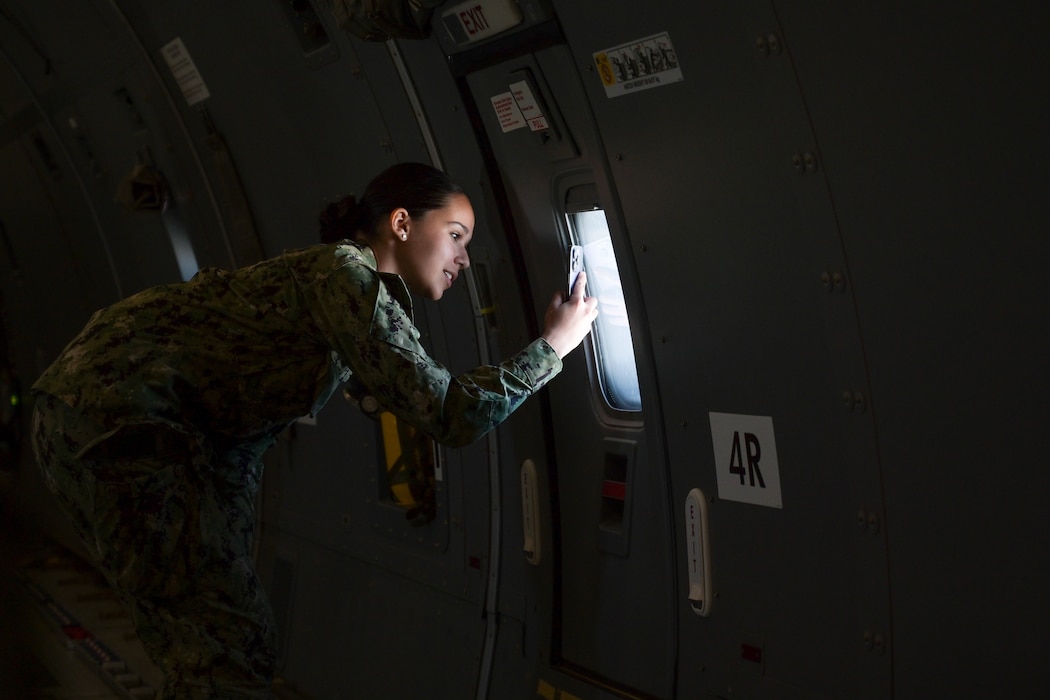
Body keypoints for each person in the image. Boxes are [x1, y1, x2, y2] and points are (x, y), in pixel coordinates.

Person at [30, 162, 598, 698]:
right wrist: (555, 345)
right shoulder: (343, 277)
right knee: (222, 651)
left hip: (135, 428)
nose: (464, 259)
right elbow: (450, 412)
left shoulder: (346, 289)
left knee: (230, 645)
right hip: (114, 421)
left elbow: (241, 427)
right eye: (455, 235)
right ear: (401, 223)